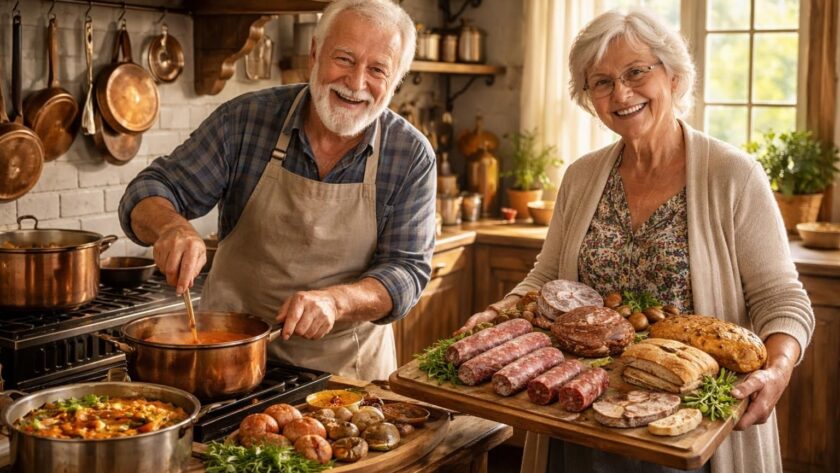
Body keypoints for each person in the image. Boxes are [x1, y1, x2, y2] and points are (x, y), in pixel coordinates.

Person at [458, 8, 814, 473]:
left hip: (690, 429)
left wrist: (777, 369)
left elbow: (781, 296)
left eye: (636, 72)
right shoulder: (582, 176)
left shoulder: (734, 175)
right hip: (581, 416)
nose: (621, 93)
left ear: (673, 76)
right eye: (601, 82)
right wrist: (497, 315)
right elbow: (547, 278)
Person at [119, 0, 437, 381]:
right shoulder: (246, 121)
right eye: (345, 59)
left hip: (345, 379)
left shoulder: (410, 155)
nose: (356, 83)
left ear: (396, 79)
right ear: (315, 53)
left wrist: (337, 301)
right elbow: (149, 190)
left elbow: (407, 271)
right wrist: (170, 226)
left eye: (377, 70)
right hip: (226, 364)